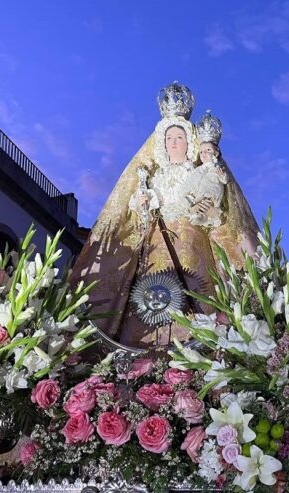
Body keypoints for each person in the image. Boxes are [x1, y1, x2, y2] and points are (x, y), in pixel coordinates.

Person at [72, 82, 259, 348]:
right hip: (156, 248)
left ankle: (197, 352)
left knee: (197, 301)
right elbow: (139, 218)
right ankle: (149, 355)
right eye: (170, 138)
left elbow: (217, 215)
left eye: (180, 138)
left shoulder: (201, 175)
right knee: (151, 300)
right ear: (161, 142)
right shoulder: (154, 177)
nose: (174, 143)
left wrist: (210, 213)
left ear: (190, 142)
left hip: (195, 249)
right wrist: (143, 203)